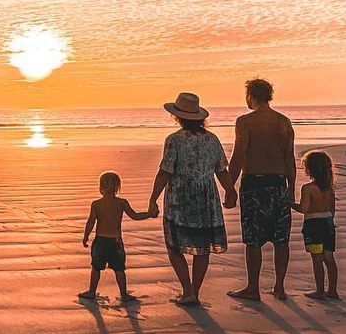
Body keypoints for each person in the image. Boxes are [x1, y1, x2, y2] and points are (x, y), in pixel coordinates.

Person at [148, 92, 236, 307]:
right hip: (206, 197)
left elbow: (165, 172)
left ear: (177, 117)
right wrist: (230, 190)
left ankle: (187, 290)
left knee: (174, 245)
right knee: (202, 246)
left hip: (181, 196)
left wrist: (153, 199)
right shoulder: (211, 139)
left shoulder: (174, 140)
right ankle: (194, 292)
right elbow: (221, 170)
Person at [227, 78, 296, 302]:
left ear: (251, 96)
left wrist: (229, 187)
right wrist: (292, 188)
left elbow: (239, 156)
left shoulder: (245, 122)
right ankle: (279, 286)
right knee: (281, 239)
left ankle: (253, 288)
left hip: (254, 184)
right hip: (278, 183)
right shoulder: (283, 122)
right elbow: (289, 159)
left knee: (253, 239)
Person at [80, 172, 153, 303]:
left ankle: (92, 291)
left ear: (101, 186)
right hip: (116, 242)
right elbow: (135, 216)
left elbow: (91, 221)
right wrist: (149, 214)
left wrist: (86, 236)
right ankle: (124, 294)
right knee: (119, 269)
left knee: (96, 268)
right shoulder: (121, 203)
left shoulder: (97, 204)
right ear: (117, 187)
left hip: (100, 241)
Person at [294, 150, 339, 300]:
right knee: (329, 258)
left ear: (309, 170)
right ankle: (332, 290)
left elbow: (304, 209)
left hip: (313, 225)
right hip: (327, 223)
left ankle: (320, 291)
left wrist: (289, 203)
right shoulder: (330, 188)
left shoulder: (308, 189)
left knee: (317, 259)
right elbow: (332, 209)